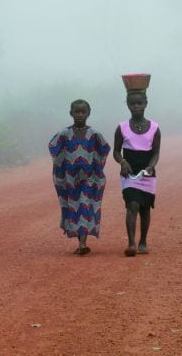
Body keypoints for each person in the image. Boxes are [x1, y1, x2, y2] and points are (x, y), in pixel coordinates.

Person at [48, 99, 111, 255]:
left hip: (89, 179)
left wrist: (94, 168)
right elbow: (54, 148)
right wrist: (65, 168)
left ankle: (83, 244)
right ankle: (80, 242)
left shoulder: (94, 134)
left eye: (83, 112)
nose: (80, 114)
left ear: (89, 113)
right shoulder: (64, 134)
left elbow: (104, 150)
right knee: (73, 208)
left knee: (84, 205)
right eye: (77, 111)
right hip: (70, 180)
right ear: (71, 113)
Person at [114, 74, 160, 257]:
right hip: (129, 173)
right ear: (127, 105)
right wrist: (123, 162)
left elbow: (156, 153)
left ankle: (143, 241)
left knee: (145, 208)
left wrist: (150, 166)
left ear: (146, 104)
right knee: (132, 205)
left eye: (139, 103)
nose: (136, 107)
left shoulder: (155, 128)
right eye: (132, 104)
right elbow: (116, 152)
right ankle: (131, 243)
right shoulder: (122, 127)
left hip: (148, 173)